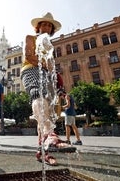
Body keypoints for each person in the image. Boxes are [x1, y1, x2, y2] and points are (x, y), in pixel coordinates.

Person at [21, 12, 72, 166]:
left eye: (50, 25)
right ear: (38, 27)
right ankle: (50, 134)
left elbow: (52, 68)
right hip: (30, 70)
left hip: (46, 75)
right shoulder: (30, 38)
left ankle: (42, 152)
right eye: (44, 24)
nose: (47, 27)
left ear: (52, 30)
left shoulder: (50, 46)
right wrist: (45, 65)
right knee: (38, 95)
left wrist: (60, 89)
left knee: (45, 113)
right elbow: (29, 56)